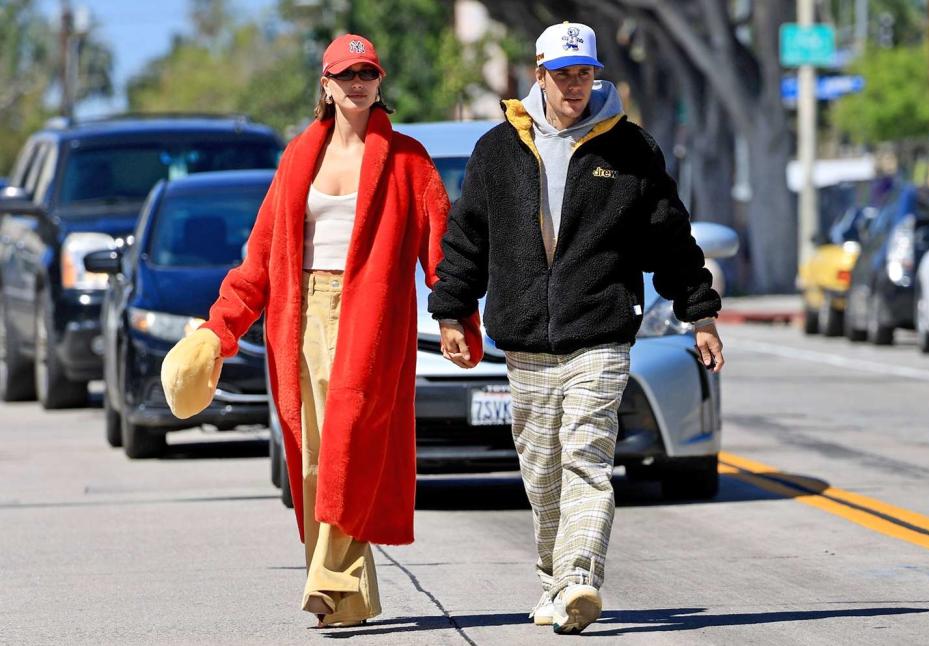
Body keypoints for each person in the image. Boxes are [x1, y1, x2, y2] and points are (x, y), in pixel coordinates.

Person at [160, 34, 482, 628]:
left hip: (373, 320)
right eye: (346, 74)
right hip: (301, 315)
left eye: (368, 73)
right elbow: (260, 258)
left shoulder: (408, 160)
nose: (358, 82)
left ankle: (328, 578)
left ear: (379, 82)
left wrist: (453, 314)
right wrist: (218, 330)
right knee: (312, 459)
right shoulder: (297, 158)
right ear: (326, 85)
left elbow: (443, 248)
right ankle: (347, 600)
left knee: (348, 444)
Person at [428, 22, 725, 635]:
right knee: (541, 469)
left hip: (601, 330)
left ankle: (581, 579)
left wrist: (700, 312)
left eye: (584, 73)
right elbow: (466, 238)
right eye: (562, 74)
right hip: (526, 336)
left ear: (596, 73)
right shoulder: (497, 150)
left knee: (587, 458)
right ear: (538, 74)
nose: (574, 85)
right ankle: (553, 577)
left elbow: (669, 237)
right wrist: (451, 308)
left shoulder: (631, 150)